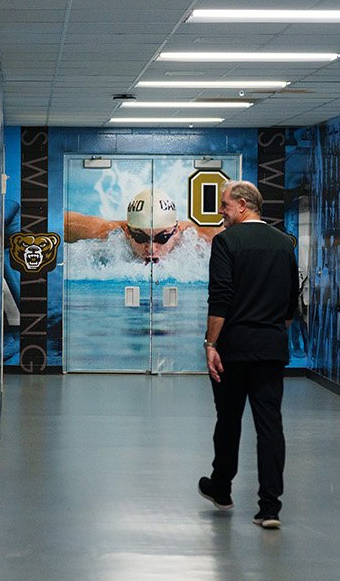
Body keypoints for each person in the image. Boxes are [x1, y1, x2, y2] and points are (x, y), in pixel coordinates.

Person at [197, 181, 297, 530]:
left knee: (229, 419)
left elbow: (220, 297)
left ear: (242, 205)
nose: (221, 211)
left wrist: (211, 345)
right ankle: (270, 508)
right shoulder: (285, 244)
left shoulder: (226, 242)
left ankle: (221, 487)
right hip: (271, 348)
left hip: (234, 349)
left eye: (224, 205)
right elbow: (290, 305)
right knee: (270, 425)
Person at [63, 187, 219, 263]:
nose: (151, 248)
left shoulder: (197, 237)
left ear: (176, 231)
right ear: (127, 232)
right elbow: (56, 221)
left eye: (162, 238)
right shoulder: (109, 233)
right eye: (140, 237)